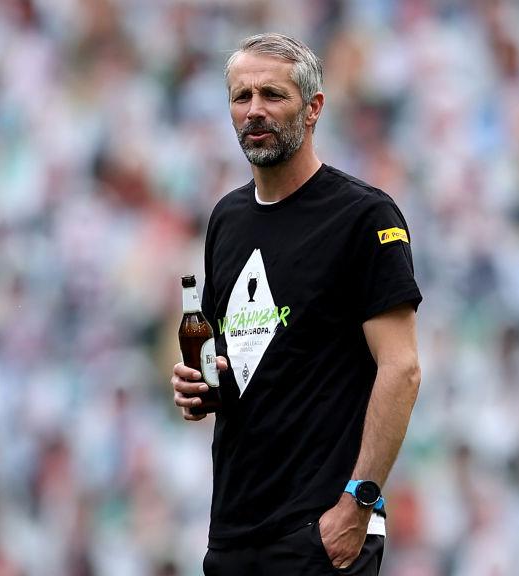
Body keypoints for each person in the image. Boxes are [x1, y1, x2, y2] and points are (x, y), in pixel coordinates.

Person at [170, 32, 422, 575]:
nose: (254, 110)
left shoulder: (363, 217)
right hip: (234, 532)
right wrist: (201, 388)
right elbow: (241, 358)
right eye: (242, 96)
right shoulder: (227, 220)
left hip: (322, 530)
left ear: (313, 108)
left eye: (272, 95)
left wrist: (359, 502)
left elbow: (401, 369)